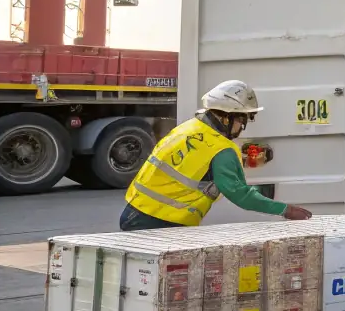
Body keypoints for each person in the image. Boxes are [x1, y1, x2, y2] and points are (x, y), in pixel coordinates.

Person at [120, 79, 313, 230]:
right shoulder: (221, 148)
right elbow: (240, 195)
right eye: (243, 119)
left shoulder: (188, 128)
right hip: (161, 221)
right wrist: (285, 210)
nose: (243, 126)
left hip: (135, 211)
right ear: (226, 117)